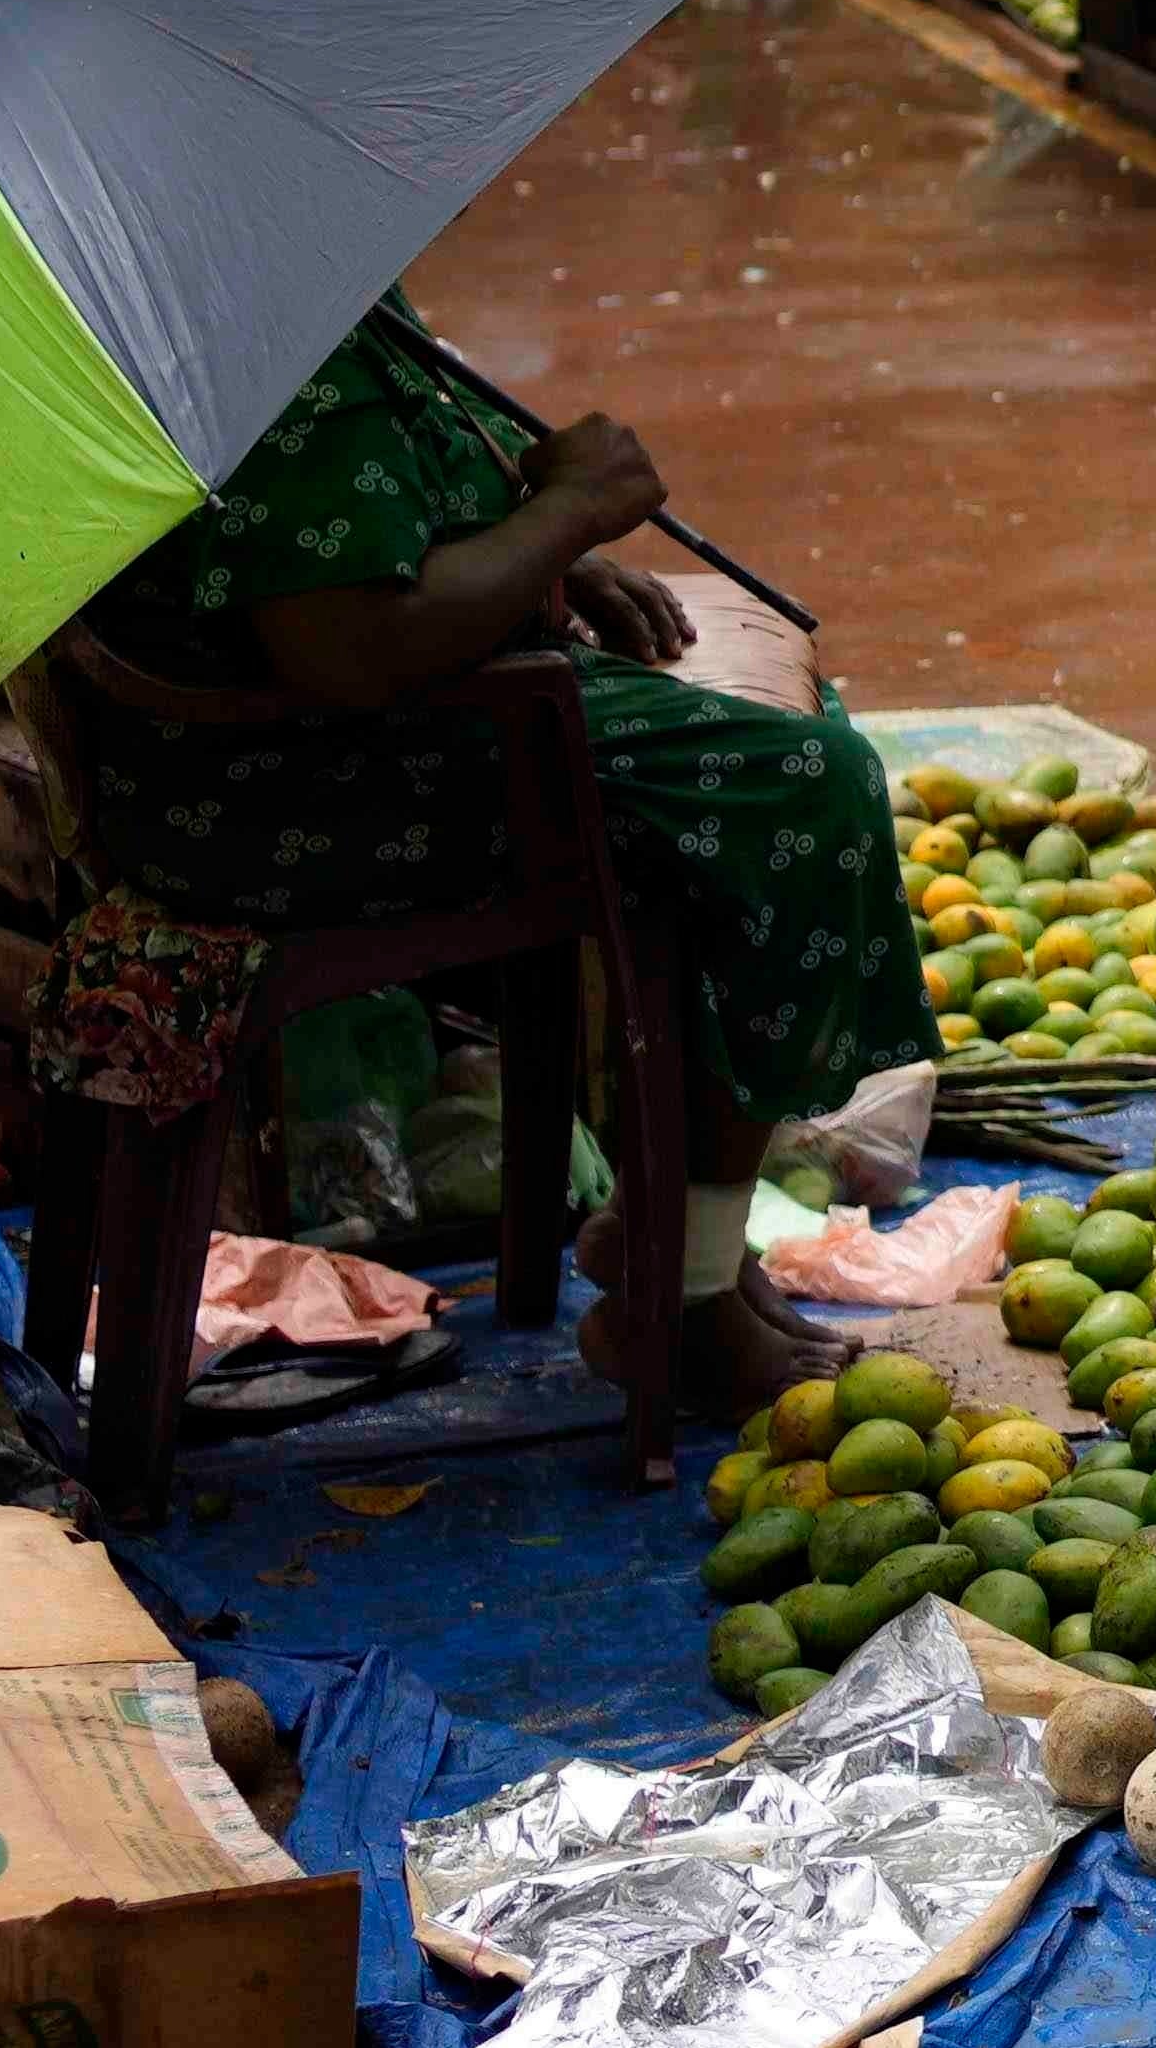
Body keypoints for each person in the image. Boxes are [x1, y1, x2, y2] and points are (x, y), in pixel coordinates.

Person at [55, 296, 930, 1372]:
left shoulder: (292, 290)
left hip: (308, 748)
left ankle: (673, 1231)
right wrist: (567, 515)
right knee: (799, 793)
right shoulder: (277, 345)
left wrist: (541, 553)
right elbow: (354, 648)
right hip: (296, 787)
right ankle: (684, 1297)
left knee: (784, 731)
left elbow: (390, 500)